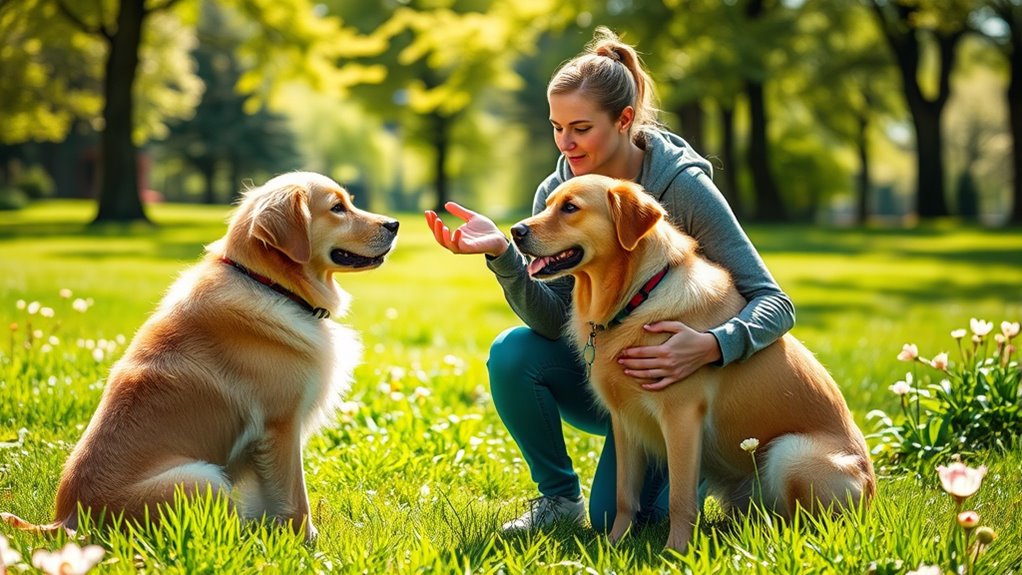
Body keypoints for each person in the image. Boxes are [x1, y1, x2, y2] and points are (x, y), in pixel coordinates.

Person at [424, 27, 794, 533]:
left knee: (623, 521)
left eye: (579, 128)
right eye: (556, 127)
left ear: (623, 120)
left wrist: (710, 345)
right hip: (613, 381)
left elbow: (774, 302)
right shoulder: (559, 191)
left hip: (684, 394)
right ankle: (557, 498)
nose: (565, 143)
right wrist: (504, 256)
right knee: (514, 352)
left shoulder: (682, 186)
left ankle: (696, 472)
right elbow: (554, 321)